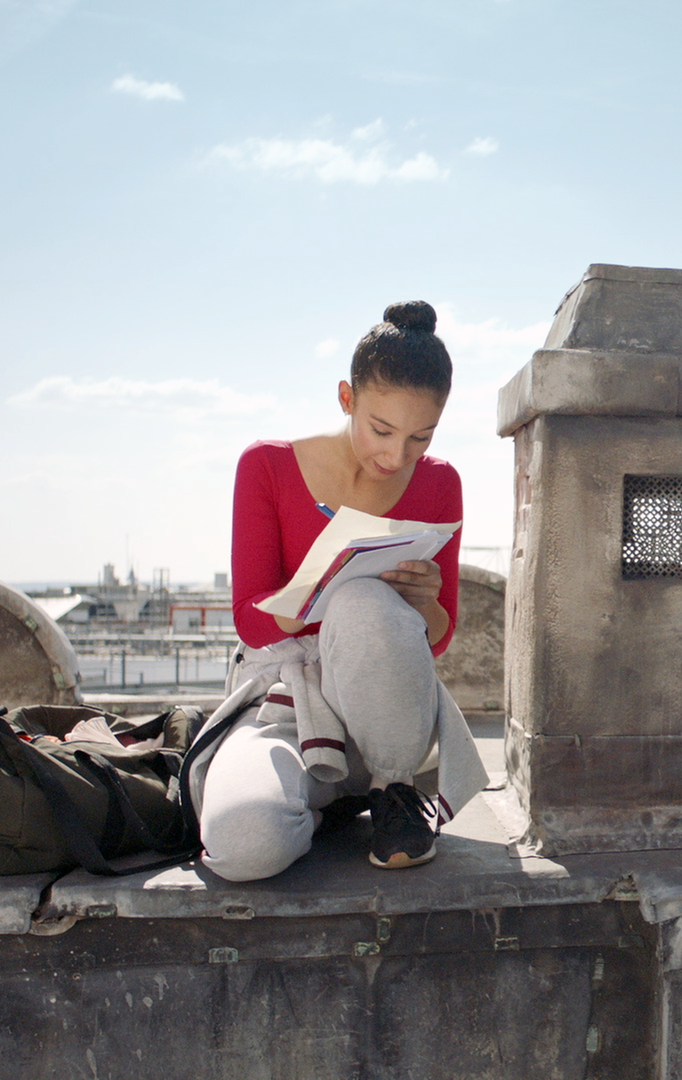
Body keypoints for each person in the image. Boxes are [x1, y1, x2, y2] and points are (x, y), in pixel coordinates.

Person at [191, 300, 487, 882]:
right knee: (242, 847)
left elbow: (439, 637)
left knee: (362, 603)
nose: (396, 455)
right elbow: (251, 624)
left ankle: (393, 791)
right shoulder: (267, 466)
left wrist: (424, 601)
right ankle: (322, 798)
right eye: (381, 429)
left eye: (419, 437)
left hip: (388, 716)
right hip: (286, 704)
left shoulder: (440, 482)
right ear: (346, 398)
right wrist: (315, 585)